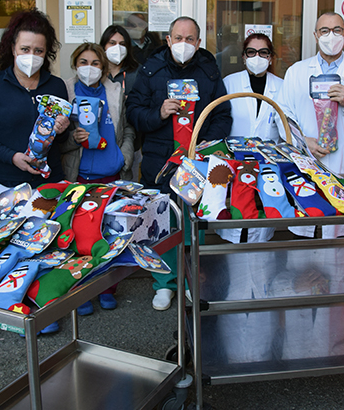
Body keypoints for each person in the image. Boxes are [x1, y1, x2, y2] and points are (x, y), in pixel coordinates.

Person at [126, 16, 232, 310]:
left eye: (190, 39)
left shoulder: (209, 73)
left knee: (192, 226)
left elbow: (223, 115)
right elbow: (133, 111)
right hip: (160, 162)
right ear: (168, 40)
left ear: (198, 43)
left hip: (197, 165)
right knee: (161, 225)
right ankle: (164, 283)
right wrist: (158, 113)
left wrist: (204, 144)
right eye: (178, 38)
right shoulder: (151, 70)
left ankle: (191, 281)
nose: (183, 44)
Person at [274, 11, 344, 238]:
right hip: (307, 154)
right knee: (306, 221)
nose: (330, 36)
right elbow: (282, 114)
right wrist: (302, 141)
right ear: (316, 35)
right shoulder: (297, 72)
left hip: (343, 158)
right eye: (324, 31)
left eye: (336, 30)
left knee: (337, 228)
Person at [0, 9, 70, 220]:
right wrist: (12, 157)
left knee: (45, 242)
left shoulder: (56, 86)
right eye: (25, 49)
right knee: (12, 244)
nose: (31, 56)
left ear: (46, 53)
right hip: (7, 182)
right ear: (13, 49)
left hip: (49, 183)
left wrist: (62, 129)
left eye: (38, 51)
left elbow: (60, 139)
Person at [62, 42, 135, 314]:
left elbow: (127, 129)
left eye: (95, 63)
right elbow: (57, 138)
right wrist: (73, 138)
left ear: (103, 67)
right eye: (83, 62)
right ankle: (79, 291)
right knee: (79, 238)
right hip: (79, 177)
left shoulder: (115, 91)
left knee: (109, 236)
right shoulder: (66, 91)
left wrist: (124, 157)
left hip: (112, 175)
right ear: (74, 64)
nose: (89, 68)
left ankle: (106, 288)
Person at [220, 32, 283, 243]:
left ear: (271, 57)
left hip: (268, 165)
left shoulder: (281, 87)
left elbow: (286, 129)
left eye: (263, 52)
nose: (257, 57)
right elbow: (220, 122)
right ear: (244, 57)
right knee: (236, 225)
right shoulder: (229, 83)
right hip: (234, 164)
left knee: (261, 224)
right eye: (252, 52)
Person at [100, 24, 141, 181]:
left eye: (122, 44)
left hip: (131, 142)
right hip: (102, 143)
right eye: (112, 43)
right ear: (103, 46)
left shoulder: (137, 73)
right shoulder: (97, 73)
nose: (117, 47)